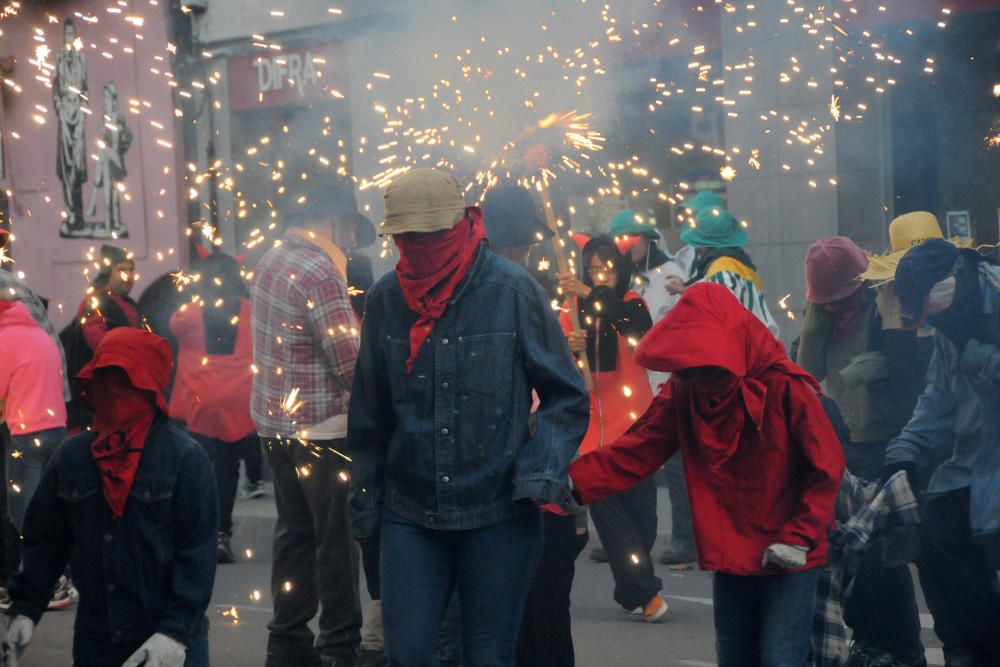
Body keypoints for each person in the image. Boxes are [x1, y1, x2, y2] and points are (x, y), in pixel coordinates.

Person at [347, 168, 589, 666]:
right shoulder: (385, 300)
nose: (416, 246)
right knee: (409, 653)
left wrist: (540, 470)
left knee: (488, 655)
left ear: (459, 227)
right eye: (405, 237)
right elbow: (369, 415)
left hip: (500, 509)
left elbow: (567, 396)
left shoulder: (515, 291)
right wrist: (365, 503)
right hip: (410, 509)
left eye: (427, 236)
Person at [569, 283, 845, 666]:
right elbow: (639, 449)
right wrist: (571, 481)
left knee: (782, 657)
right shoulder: (685, 388)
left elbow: (826, 467)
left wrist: (800, 535)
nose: (699, 374)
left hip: (790, 548)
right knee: (735, 655)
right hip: (733, 548)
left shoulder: (786, 387)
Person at [3, 327, 217, 666]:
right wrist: (26, 609)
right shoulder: (72, 457)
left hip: (168, 636)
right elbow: (46, 540)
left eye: (127, 380)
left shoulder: (184, 458)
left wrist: (175, 633)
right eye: (107, 378)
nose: (116, 392)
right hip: (97, 638)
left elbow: (198, 553)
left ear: (149, 386)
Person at [251, 178, 374, 667]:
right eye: (349, 230)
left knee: (294, 534)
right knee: (337, 544)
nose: (349, 241)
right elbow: (348, 361)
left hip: (275, 426)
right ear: (336, 220)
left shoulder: (272, 260)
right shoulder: (321, 271)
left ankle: (286, 642)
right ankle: (340, 645)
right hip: (324, 431)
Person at [796, 236, 926, 666]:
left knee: (881, 558)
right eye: (827, 302)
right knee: (846, 557)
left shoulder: (881, 308)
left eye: (843, 299)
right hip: (844, 444)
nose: (837, 308)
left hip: (888, 440)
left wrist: (869, 369)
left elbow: (908, 372)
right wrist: (815, 325)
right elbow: (805, 376)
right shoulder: (821, 319)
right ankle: (868, 641)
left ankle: (904, 650)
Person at [480, 183, 589, 667]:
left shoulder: (508, 290)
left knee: (519, 619)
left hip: (515, 485)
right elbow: (563, 397)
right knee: (539, 617)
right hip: (527, 490)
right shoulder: (520, 292)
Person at [885, 238, 1000, 665]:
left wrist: (977, 350)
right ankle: (962, 650)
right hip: (970, 471)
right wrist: (906, 453)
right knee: (932, 538)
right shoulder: (950, 323)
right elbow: (938, 400)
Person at [556, 236, 665, 622]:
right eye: (592, 268)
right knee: (611, 515)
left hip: (635, 424)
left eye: (607, 267)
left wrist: (592, 293)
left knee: (643, 522)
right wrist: (568, 345)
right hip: (589, 431)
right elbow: (554, 361)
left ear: (621, 269)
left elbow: (638, 334)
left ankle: (631, 582)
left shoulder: (633, 304)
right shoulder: (570, 308)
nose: (599, 274)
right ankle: (642, 591)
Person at [607, 209, 697, 566]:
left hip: (666, 384)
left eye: (628, 241)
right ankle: (624, 539)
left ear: (645, 240)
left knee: (675, 467)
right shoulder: (627, 280)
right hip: (633, 387)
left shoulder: (672, 275)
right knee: (628, 463)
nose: (623, 248)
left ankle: (685, 538)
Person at [169, 248, 255, 565]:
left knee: (195, 469)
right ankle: (222, 533)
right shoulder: (250, 310)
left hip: (200, 402)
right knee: (228, 470)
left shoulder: (189, 314)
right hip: (237, 402)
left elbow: (174, 325)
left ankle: (196, 532)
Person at [666, 204, 780, 337]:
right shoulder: (735, 265)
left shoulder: (723, 272)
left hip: (741, 350)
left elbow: (717, 306)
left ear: (707, 244)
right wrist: (686, 286)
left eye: (699, 243)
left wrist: (685, 291)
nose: (697, 250)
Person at [63, 244, 141, 429]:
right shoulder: (95, 302)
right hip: (99, 402)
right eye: (121, 270)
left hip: (124, 398)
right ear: (107, 273)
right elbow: (100, 343)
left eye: (131, 270)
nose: (127, 276)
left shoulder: (129, 304)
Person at [54, 17, 89, 236]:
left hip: (78, 117)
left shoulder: (81, 59)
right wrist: (60, 108)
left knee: (77, 165)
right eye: (66, 34)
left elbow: (86, 90)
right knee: (66, 167)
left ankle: (79, 215)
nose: (69, 39)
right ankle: (70, 213)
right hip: (64, 118)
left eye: (71, 35)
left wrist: (82, 109)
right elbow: (55, 89)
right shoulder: (58, 59)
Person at [87, 82, 133, 238]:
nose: (105, 101)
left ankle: (93, 195)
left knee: (103, 151)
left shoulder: (120, 119)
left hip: (117, 161)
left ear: (114, 101)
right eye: (104, 97)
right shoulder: (103, 120)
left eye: (108, 98)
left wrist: (121, 149)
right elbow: (101, 139)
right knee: (110, 196)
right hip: (107, 164)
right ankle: (110, 225)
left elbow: (128, 136)